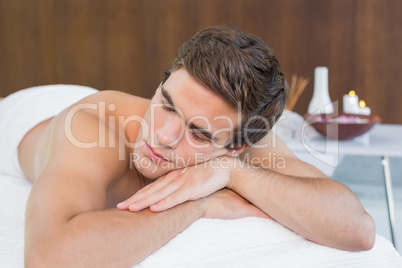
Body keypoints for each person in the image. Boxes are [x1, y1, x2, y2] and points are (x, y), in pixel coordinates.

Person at [0, 25, 375, 267]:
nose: (163, 136)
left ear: (236, 147)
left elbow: (357, 228)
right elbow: (49, 258)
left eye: (198, 133)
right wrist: (199, 203)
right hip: (28, 115)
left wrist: (230, 173)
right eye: (166, 104)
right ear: (163, 82)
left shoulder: (237, 139)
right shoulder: (89, 129)